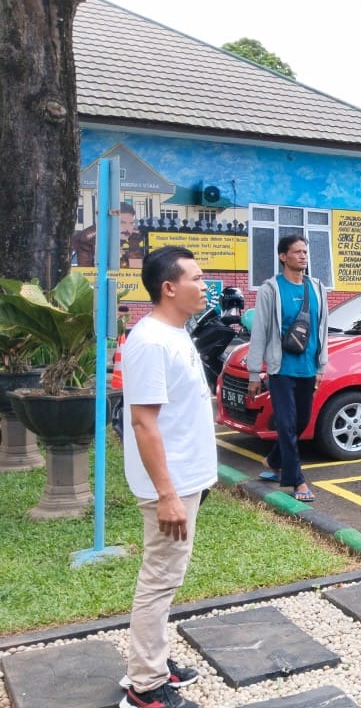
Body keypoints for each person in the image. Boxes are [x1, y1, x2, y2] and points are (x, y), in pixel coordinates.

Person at [119, 246, 217, 708]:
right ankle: (144, 683)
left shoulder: (175, 332)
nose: (205, 285)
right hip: (170, 487)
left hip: (186, 480)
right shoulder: (151, 340)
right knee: (159, 578)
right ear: (169, 288)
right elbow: (143, 423)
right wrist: (167, 495)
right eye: (197, 278)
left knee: (166, 577)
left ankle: (153, 658)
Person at [247, 235, 329, 502]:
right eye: (297, 252)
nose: (303, 256)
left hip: (307, 368)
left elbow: (322, 330)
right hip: (281, 368)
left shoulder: (316, 288)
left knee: (302, 421)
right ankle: (297, 481)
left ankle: (273, 461)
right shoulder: (270, 289)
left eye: (305, 252)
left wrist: (320, 366)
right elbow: (260, 331)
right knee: (285, 424)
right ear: (283, 256)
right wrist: (253, 372)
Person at [71, 202, 139, 267]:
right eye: (122, 222)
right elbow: (86, 270)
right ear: (109, 222)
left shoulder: (134, 238)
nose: (128, 228)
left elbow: (136, 269)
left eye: (131, 223)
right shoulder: (89, 237)